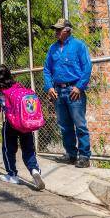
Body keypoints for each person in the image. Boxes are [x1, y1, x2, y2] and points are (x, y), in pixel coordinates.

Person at [0, 65, 45, 190]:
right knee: (28, 149)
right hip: (25, 124)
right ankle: (34, 170)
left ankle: (12, 174)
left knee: (8, 149)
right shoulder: (18, 86)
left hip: (11, 124)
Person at [43, 18, 92, 168]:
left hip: (74, 90)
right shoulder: (53, 48)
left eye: (59, 29)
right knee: (64, 125)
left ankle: (84, 156)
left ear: (68, 30)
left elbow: (87, 67)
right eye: (56, 29)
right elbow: (47, 70)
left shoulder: (78, 45)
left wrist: (79, 87)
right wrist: (49, 87)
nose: (56, 32)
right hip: (58, 91)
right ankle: (71, 154)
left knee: (80, 124)